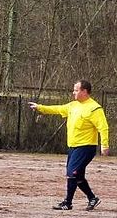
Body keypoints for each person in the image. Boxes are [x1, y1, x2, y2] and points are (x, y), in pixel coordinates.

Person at [28, 79, 110, 211]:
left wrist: (104, 145)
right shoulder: (73, 106)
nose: (73, 92)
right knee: (77, 176)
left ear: (84, 91)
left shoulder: (94, 108)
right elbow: (57, 108)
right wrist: (40, 107)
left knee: (72, 173)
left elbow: (103, 127)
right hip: (73, 147)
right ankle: (92, 198)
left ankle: (68, 202)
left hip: (86, 147)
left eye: (76, 90)